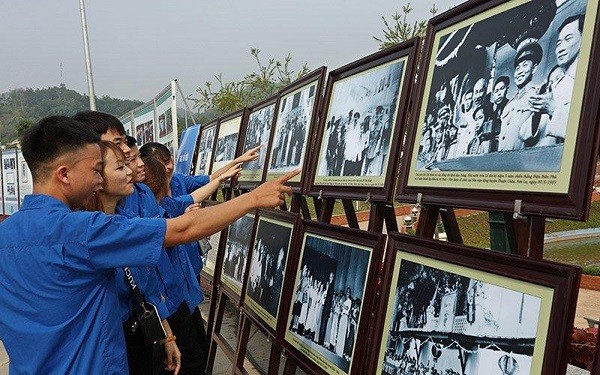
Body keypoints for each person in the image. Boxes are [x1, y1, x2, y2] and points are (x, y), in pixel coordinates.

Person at [0, 116, 296, 373]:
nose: (98, 181)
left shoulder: (6, 233)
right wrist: (254, 198)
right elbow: (182, 229)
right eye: (95, 170)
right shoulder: (82, 231)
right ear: (64, 174)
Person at [85, 141, 181, 375]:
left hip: (138, 336)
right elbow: (182, 229)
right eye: (120, 166)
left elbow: (146, 288)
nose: (131, 170)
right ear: (97, 177)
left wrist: (167, 335)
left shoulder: (124, 220)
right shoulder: (84, 233)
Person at [529, 14, 583, 145]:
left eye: (568, 39)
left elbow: (585, 134)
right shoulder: (556, 84)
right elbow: (529, 135)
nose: (560, 48)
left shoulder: (585, 82)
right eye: (558, 43)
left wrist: (553, 108)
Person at [498, 39, 543, 151]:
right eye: (517, 68)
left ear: (534, 68)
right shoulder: (509, 104)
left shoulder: (538, 95)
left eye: (525, 65)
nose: (519, 71)